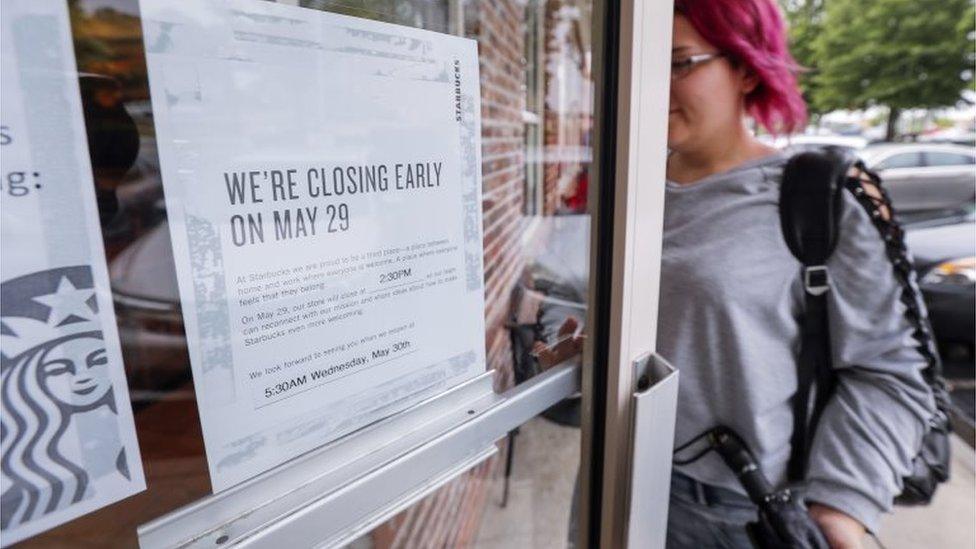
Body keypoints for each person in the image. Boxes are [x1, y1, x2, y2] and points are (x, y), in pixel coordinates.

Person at [659, 1, 937, 548]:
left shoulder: (817, 195)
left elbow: (889, 368)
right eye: (645, 66)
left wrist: (841, 506)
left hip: (738, 513)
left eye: (681, 63)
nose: (655, 86)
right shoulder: (621, 184)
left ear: (744, 67)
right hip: (613, 478)